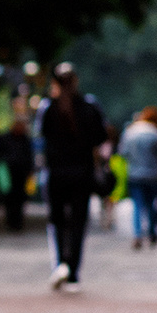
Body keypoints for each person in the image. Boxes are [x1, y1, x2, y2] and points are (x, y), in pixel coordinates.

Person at [38, 63, 107, 292]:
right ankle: (73, 272)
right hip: (82, 174)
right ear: (75, 81)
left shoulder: (48, 108)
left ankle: (61, 264)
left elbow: (43, 138)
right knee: (78, 223)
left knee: (57, 222)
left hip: (56, 174)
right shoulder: (89, 107)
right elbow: (100, 137)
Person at [119, 107, 157, 248]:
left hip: (134, 174)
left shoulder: (130, 132)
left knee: (137, 205)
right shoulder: (156, 133)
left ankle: (137, 234)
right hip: (153, 174)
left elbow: (123, 152)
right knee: (151, 204)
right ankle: (152, 232)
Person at [1, 121, 35, 232]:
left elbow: (29, 156)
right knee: (9, 197)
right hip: (9, 171)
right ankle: (11, 221)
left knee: (20, 198)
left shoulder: (25, 140)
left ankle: (18, 222)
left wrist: (30, 170)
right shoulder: (6, 139)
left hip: (21, 172)